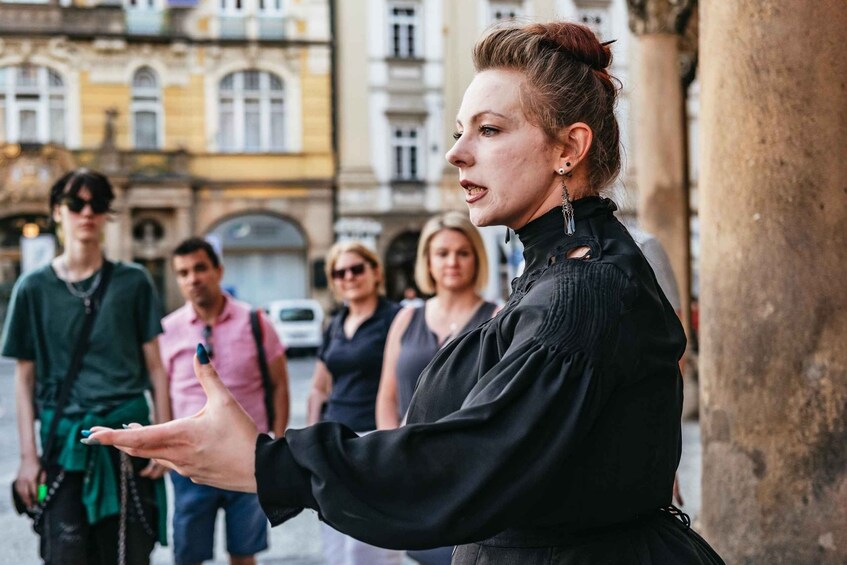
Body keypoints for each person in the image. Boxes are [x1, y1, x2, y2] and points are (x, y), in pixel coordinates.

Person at [88, 21, 724, 564]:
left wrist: (269, 464)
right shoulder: (559, 267)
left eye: (490, 131)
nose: (455, 153)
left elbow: (471, 462)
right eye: (458, 130)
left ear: (569, 147)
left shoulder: (585, 290)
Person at [4, 168, 169, 565]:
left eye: (97, 205)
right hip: (64, 445)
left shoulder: (135, 281)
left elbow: (156, 368)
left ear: (108, 214)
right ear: (57, 212)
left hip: (130, 440)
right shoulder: (32, 288)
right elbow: (24, 379)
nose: (87, 213)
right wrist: (28, 457)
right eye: (76, 204)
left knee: (130, 556)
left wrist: (163, 441)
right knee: (65, 555)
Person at [158, 237, 290, 565]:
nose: (193, 279)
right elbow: (162, 390)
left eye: (200, 268)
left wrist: (278, 441)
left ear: (218, 270)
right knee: (188, 554)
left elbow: (279, 384)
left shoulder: (255, 322)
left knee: (244, 553)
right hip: (190, 462)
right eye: (183, 272)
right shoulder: (168, 329)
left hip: (248, 459)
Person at [375, 211, 497, 565]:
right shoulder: (405, 318)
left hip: (469, 478)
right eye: (442, 253)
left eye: (463, 252)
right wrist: (391, 452)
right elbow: (387, 395)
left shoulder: (497, 318)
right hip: (412, 471)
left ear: (477, 258)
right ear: (427, 261)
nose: (452, 262)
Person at [304, 241, 402, 565]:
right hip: (334, 442)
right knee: (335, 540)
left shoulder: (396, 319)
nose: (349, 277)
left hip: (374, 438)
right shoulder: (334, 323)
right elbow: (319, 387)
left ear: (376, 272)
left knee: (372, 544)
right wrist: (310, 439)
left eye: (357, 268)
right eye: (340, 272)